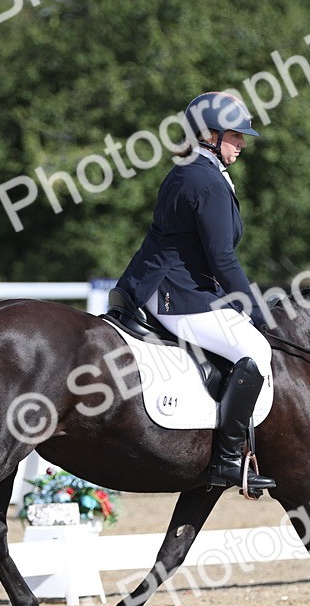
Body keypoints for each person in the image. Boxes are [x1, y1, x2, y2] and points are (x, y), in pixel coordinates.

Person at [116, 91, 276, 492]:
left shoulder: (191, 170)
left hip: (159, 284)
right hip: (175, 294)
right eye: (236, 135)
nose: (242, 143)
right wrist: (255, 311)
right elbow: (222, 259)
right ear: (210, 134)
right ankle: (226, 461)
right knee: (255, 350)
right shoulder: (205, 181)